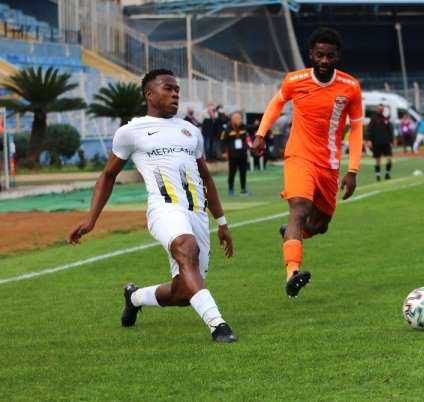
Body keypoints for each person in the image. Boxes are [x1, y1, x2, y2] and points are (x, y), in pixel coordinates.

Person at [68, 69, 237, 343]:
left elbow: (205, 178)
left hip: (196, 214)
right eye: (168, 88)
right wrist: (91, 219)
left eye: (177, 90)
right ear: (149, 94)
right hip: (164, 209)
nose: (175, 94)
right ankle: (218, 324)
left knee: (184, 292)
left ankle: (134, 297)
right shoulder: (130, 132)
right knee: (186, 247)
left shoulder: (191, 131)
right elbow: (108, 175)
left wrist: (222, 223)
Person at [251, 27, 363, 298]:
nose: (324, 61)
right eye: (319, 55)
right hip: (299, 156)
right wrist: (261, 134)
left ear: (337, 57)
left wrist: (352, 170)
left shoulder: (350, 87)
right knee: (299, 209)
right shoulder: (294, 80)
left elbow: (357, 127)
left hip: (329, 163)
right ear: (311, 54)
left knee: (319, 225)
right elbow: (276, 104)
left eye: (330, 56)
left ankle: (292, 235)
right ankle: (292, 272)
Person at [221, 111, 250, 196]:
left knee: (243, 172)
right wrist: (224, 152)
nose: (240, 120)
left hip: (242, 153)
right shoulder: (228, 129)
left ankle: (243, 189)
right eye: (238, 119)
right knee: (232, 172)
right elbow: (223, 142)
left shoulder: (243, 127)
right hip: (233, 154)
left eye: (240, 118)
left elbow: (251, 129)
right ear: (233, 120)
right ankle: (231, 189)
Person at [366, 104, 394, 181]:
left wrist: (391, 140)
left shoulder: (385, 119)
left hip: (386, 142)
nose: (380, 110)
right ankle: (378, 176)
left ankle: (387, 174)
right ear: (376, 109)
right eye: (379, 109)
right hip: (376, 143)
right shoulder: (373, 119)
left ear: (383, 110)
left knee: (389, 159)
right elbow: (369, 130)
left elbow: (389, 130)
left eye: (382, 109)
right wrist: (369, 140)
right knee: (377, 160)